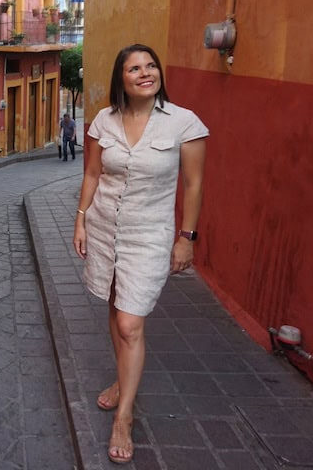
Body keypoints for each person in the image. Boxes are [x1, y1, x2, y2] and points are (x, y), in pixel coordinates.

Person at [72, 44, 208, 464]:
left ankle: (124, 416)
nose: (145, 73)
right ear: (122, 79)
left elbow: (194, 185)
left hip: (149, 235)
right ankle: (121, 380)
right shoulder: (103, 122)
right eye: (135, 68)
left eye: (151, 66)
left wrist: (186, 237)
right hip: (104, 228)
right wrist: (80, 219)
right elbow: (93, 173)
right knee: (115, 306)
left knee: (131, 322)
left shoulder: (184, 124)